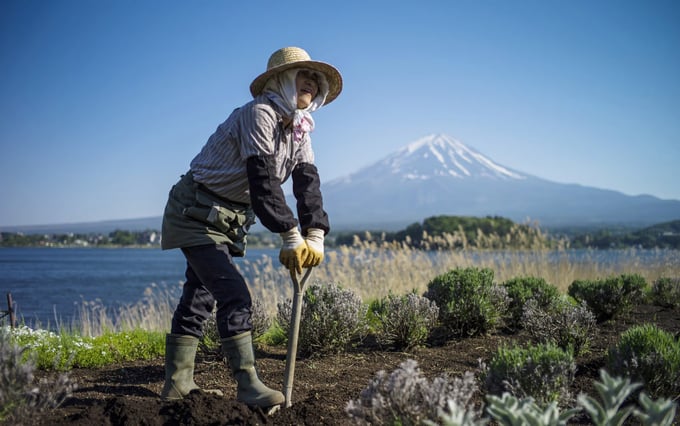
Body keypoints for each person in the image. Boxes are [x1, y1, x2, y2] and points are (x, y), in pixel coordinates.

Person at [159, 46, 342, 408]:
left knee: (201, 293)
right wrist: (290, 234)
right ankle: (248, 385)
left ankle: (178, 384)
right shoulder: (259, 114)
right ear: (279, 80)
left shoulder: (301, 132)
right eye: (301, 74)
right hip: (195, 209)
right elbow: (263, 182)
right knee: (234, 294)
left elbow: (307, 185)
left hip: (229, 219)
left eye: (314, 78)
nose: (309, 81)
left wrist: (315, 234)